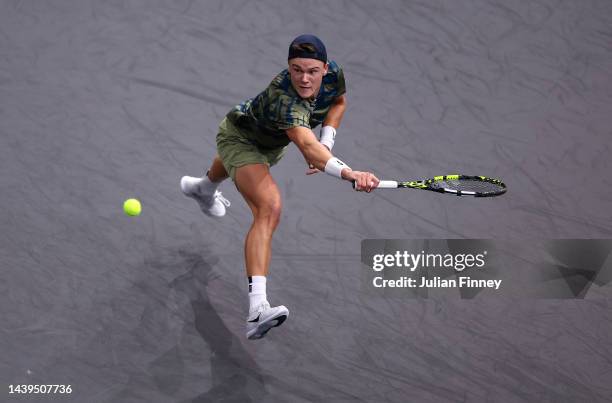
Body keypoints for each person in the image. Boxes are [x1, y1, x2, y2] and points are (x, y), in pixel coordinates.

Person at [180, 34, 379, 340]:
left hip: (269, 142)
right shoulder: (284, 98)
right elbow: (308, 150)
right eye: (296, 69)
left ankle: (203, 188)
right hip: (240, 138)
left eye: (312, 71)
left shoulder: (334, 75)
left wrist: (327, 143)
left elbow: (338, 102)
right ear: (288, 66)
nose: (304, 78)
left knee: (239, 170)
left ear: (326, 69)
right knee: (268, 208)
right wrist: (350, 173)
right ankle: (257, 309)